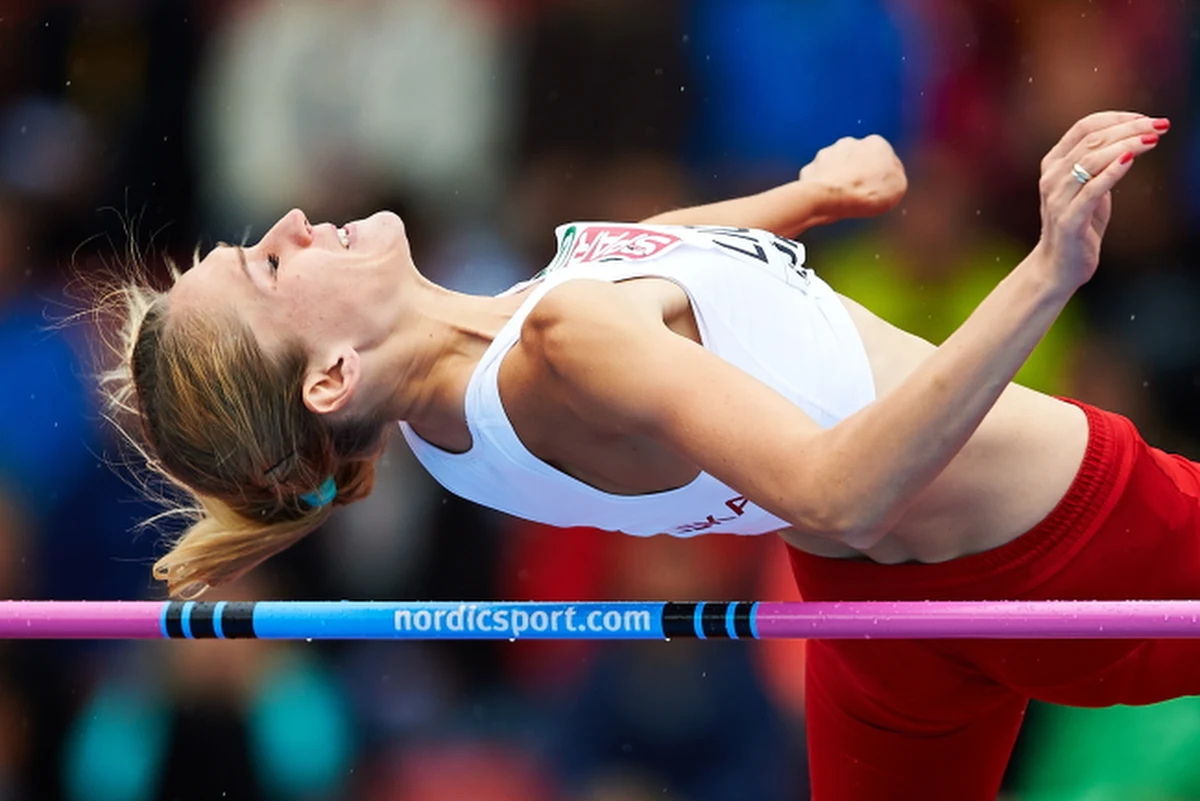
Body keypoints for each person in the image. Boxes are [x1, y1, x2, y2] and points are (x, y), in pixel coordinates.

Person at [101, 111, 1187, 801]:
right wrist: (1049, 270)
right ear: (330, 377)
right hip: (1075, 541)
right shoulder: (564, 346)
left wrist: (803, 201)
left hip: (874, 630)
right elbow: (842, 491)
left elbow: (636, 268)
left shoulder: (465, 413)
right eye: (268, 269)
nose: (290, 221)